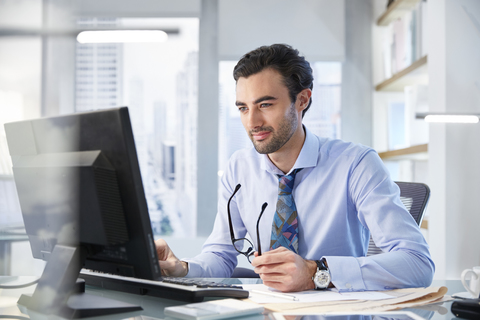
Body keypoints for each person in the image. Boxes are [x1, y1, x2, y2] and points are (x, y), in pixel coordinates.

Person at [155, 43, 435, 293]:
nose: (252, 122)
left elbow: (417, 262)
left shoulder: (356, 164)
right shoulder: (239, 168)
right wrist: (181, 268)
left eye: (265, 104)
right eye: (243, 108)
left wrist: (317, 273)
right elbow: (220, 255)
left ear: (302, 100)